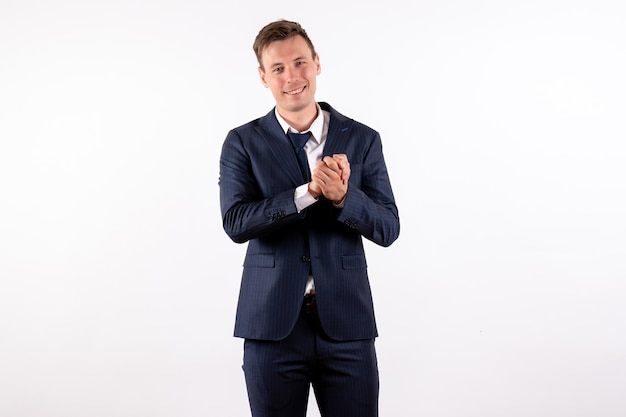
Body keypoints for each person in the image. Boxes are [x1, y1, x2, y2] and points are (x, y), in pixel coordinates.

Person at [219, 19, 400, 417]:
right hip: (270, 327)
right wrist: (307, 194)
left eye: (300, 62)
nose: (292, 77)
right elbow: (235, 222)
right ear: (263, 77)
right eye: (278, 68)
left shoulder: (362, 138)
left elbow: (388, 228)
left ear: (317, 63)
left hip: (347, 326)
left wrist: (344, 198)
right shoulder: (242, 142)